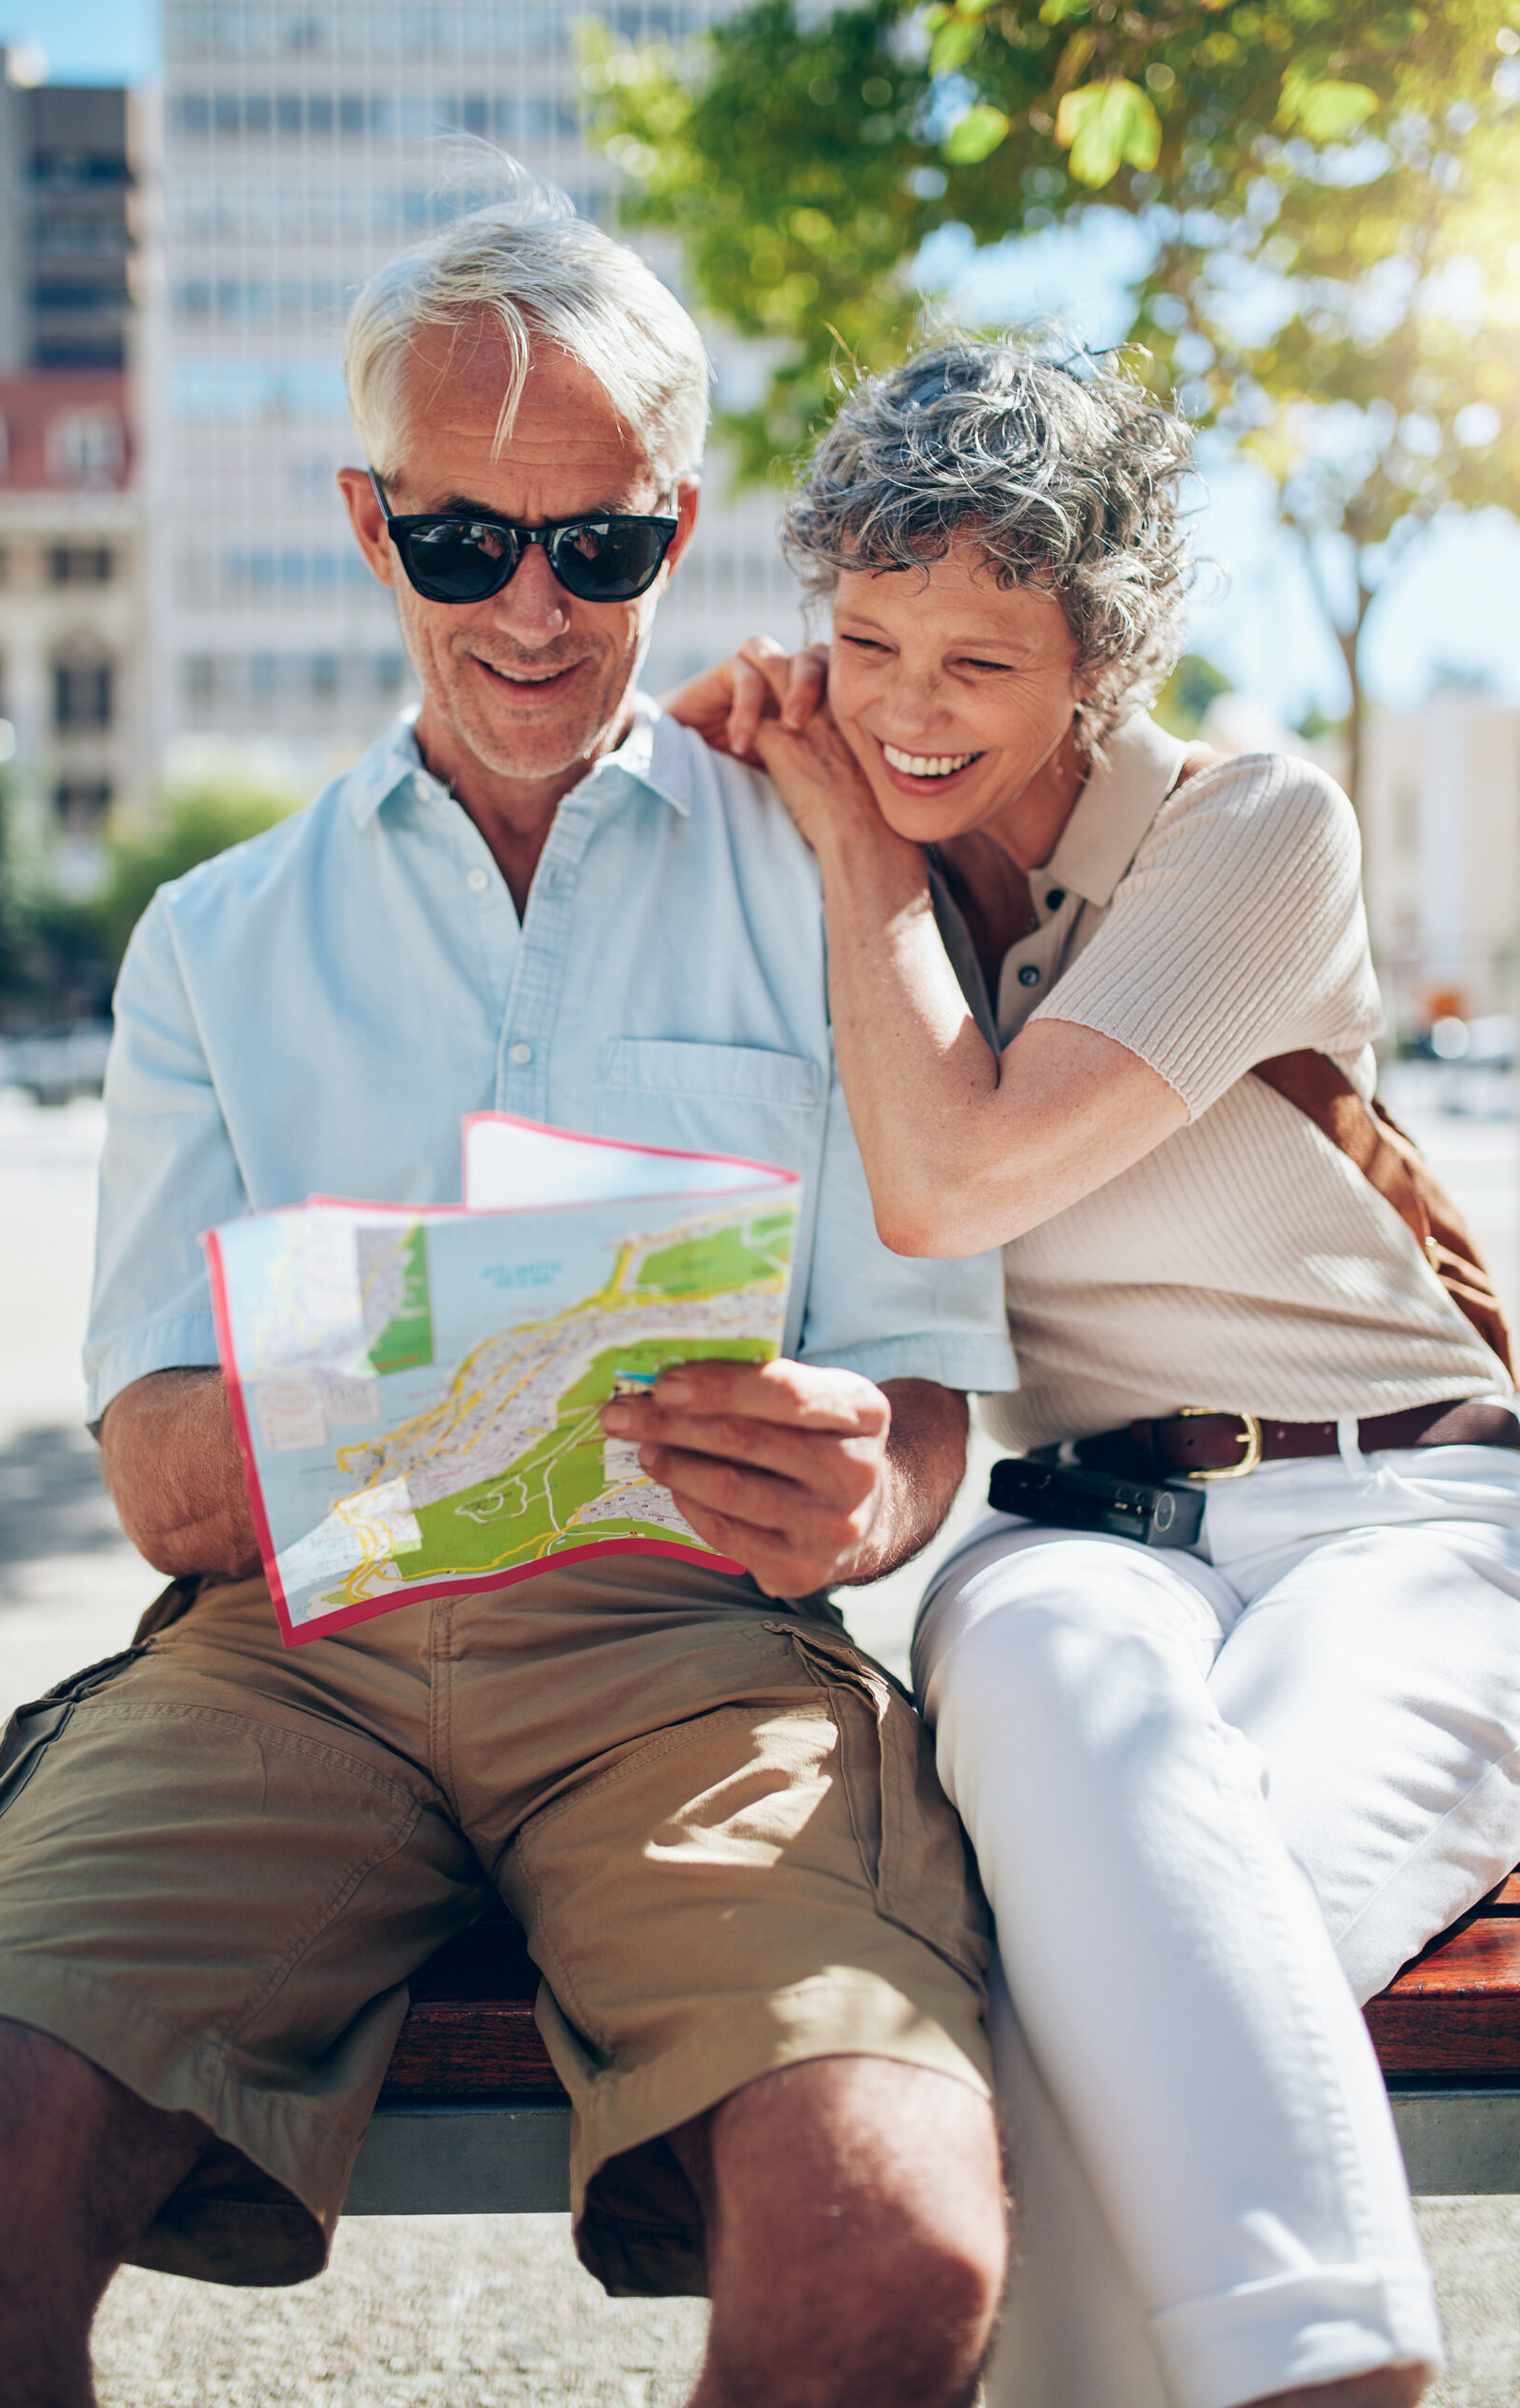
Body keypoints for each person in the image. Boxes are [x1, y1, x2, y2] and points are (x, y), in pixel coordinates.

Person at [0, 194, 1017, 2408]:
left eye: (595, 550)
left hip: (689, 1655)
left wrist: (855, 1492)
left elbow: (922, 1406)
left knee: (890, 2237)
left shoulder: (830, 871)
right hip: (281, 1658)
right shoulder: (214, 938)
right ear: (365, 522)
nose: (529, 609)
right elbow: (154, 1468)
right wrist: (420, 1396)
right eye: (459, 544)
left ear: (672, 527)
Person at [689, 337, 1520, 2408]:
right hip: (1081, 1531)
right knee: (1048, 1691)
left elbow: (959, 1171)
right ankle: (1316, 2364)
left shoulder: (1251, 826)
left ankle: (1308, 2361)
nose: (893, 709)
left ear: (1098, 661)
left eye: (974, 665)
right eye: (861, 640)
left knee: (1135, 1953)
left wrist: (854, 857)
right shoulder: (820, 824)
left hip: (1404, 1507)